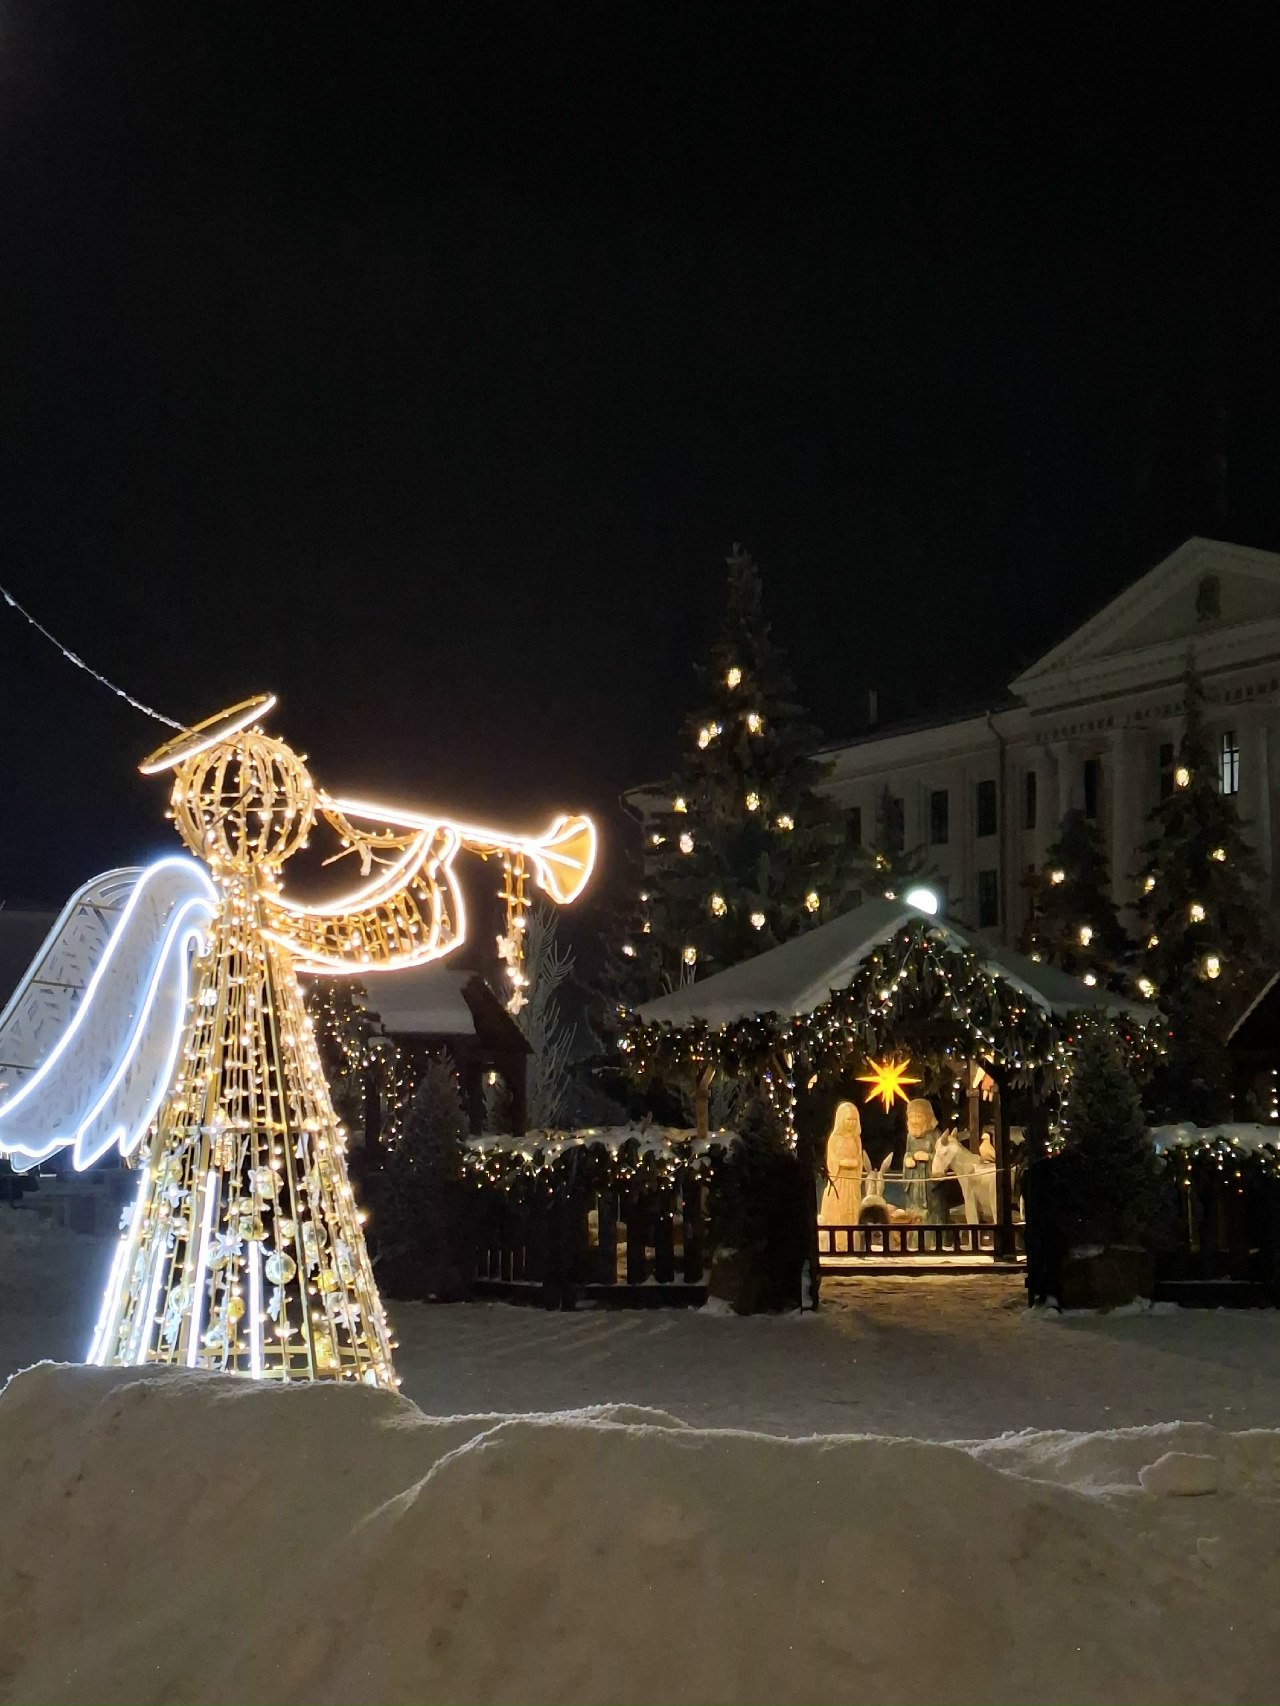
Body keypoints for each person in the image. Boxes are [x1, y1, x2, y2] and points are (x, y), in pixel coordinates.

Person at [818, 1101, 863, 1225]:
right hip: (839, 1180)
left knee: (852, 1209)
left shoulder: (856, 1139)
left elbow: (859, 1158)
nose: (851, 1122)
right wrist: (841, 1162)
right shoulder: (834, 1138)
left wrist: (856, 1163)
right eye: (849, 1119)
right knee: (838, 1208)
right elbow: (832, 1159)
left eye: (854, 1119)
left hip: (852, 1181)